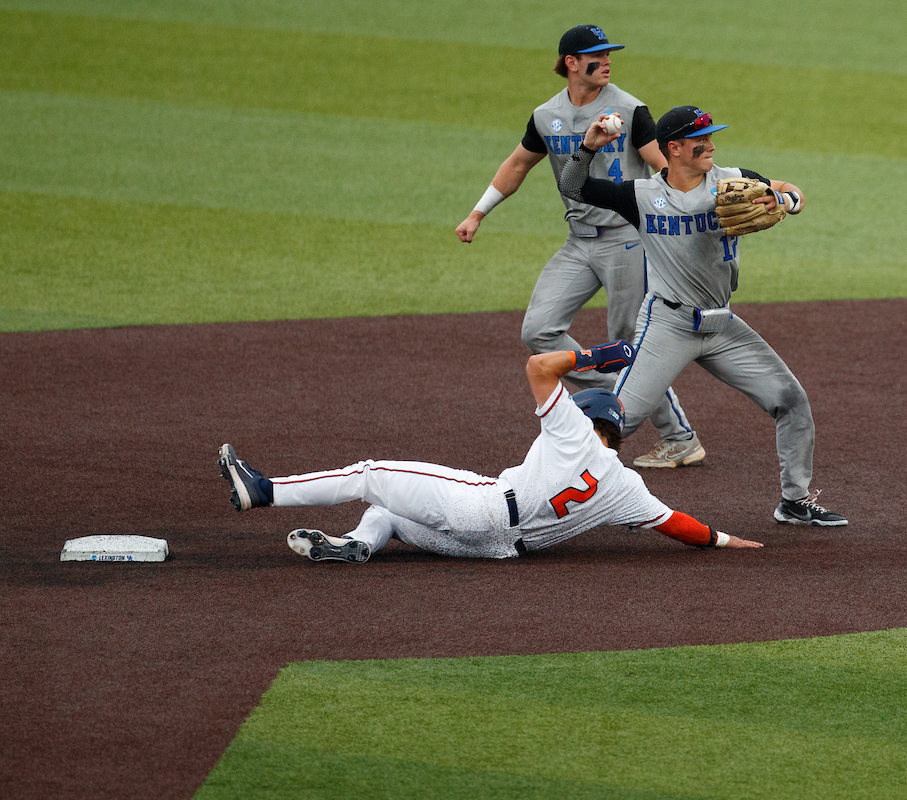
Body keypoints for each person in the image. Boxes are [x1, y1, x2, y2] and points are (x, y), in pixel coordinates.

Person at [557, 105, 848, 526]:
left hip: (722, 324)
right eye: (700, 139)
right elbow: (572, 186)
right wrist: (588, 146)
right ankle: (550, 492)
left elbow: (790, 191)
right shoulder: (639, 196)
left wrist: (784, 200)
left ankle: (794, 501)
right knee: (614, 419)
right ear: (674, 148)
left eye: (711, 136)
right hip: (668, 325)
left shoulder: (732, 181)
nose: (710, 145)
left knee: (791, 401)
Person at [217, 341, 762, 562]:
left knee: (370, 474)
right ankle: (358, 545)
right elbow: (677, 525)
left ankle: (263, 491)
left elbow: (539, 366)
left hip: (481, 508)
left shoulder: (572, 430)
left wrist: (602, 354)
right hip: (496, 549)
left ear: (585, 416)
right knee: (388, 512)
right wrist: (726, 539)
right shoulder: (627, 486)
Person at [455, 24, 705, 470]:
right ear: (571, 63)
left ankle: (679, 438)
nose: (606, 61)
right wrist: (477, 213)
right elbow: (518, 164)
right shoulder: (545, 116)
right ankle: (622, 393)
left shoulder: (630, 109)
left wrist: (684, 216)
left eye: (609, 54)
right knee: (538, 331)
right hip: (579, 241)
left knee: (630, 340)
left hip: (629, 240)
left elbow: (664, 166)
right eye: (597, 55)